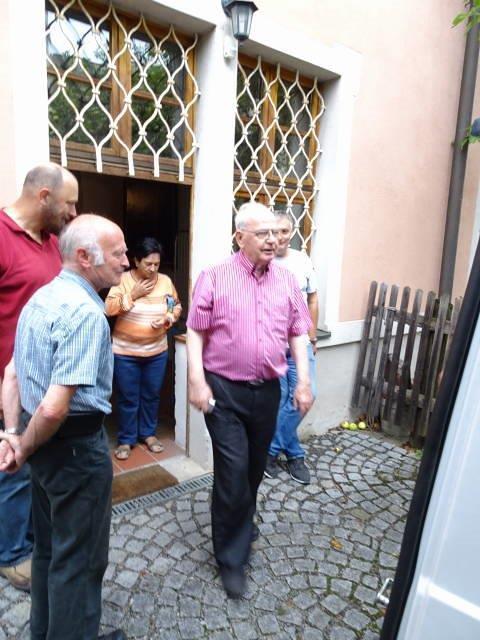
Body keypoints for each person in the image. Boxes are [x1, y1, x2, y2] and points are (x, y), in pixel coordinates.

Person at [0, 214, 129, 640]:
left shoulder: (40, 297)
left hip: (45, 446)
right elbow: (55, 409)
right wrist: (23, 447)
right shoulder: (85, 313)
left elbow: (12, 374)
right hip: (73, 451)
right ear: (85, 257)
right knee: (81, 563)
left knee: (49, 551)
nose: (126, 262)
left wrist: (13, 435)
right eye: (118, 253)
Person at [187, 201, 313, 599]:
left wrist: (303, 381)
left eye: (276, 232)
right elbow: (195, 330)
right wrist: (196, 380)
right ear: (240, 237)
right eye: (263, 233)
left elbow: (298, 331)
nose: (273, 240)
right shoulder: (214, 277)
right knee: (232, 471)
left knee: (254, 470)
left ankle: (241, 520)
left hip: (267, 392)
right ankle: (231, 559)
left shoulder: (287, 280)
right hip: (223, 391)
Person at [0, 162, 78, 591]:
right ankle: (12, 555)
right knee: (12, 470)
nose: (73, 213)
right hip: (8, 385)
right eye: (69, 203)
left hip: (45, 386)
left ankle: (33, 540)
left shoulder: (51, 244)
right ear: (44, 196)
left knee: (35, 470)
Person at [105, 237, 182, 460]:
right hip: (125, 352)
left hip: (156, 352)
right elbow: (109, 308)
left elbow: (174, 305)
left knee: (151, 395)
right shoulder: (122, 280)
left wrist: (168, 318)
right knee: (128, 397)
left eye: (156, 264)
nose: (153, 269)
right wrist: (133, 295)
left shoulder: (165, 281)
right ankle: (126, 439)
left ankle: (148, 434)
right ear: (136, 261)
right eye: (148, 264)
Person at [264, 211, 319, 484]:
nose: (279, 237)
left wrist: (313, 336)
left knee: (308, 395)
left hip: (300, 344)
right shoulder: (261, 261)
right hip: (273, 347)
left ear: (292, 231)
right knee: (281, 401)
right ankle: (295, 455)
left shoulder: (302, 260)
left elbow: (313, 299)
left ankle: (270, 451)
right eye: (274, 231)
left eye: (284, 231)